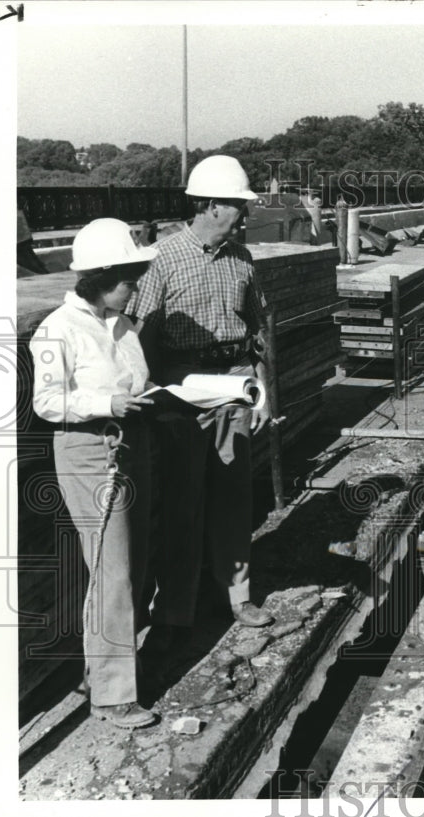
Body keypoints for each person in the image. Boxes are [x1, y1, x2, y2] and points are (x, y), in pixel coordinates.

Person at [132, 155, 274, 645]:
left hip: (234, 384)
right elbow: (142, 335)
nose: (245, 215)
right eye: (238, 205)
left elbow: (257, 330)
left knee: (235, 497)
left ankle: (236, 596)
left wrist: (263, 391)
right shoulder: (163, 259)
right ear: (210, 205)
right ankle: (176, 610)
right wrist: (152, 397)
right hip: (182, 390)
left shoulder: (242, 259)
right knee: (182, 502)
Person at [30, 218, 158, 729]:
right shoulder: (57, 329)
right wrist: (107, 401)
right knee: (112, 571)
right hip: (88, 450)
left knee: (133, 563)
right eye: (129, 279)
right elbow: (46, 401)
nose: (135, 288)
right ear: (101, 277)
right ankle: (111, 695)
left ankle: (109, 668)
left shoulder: (121, 325)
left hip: (129, 443)